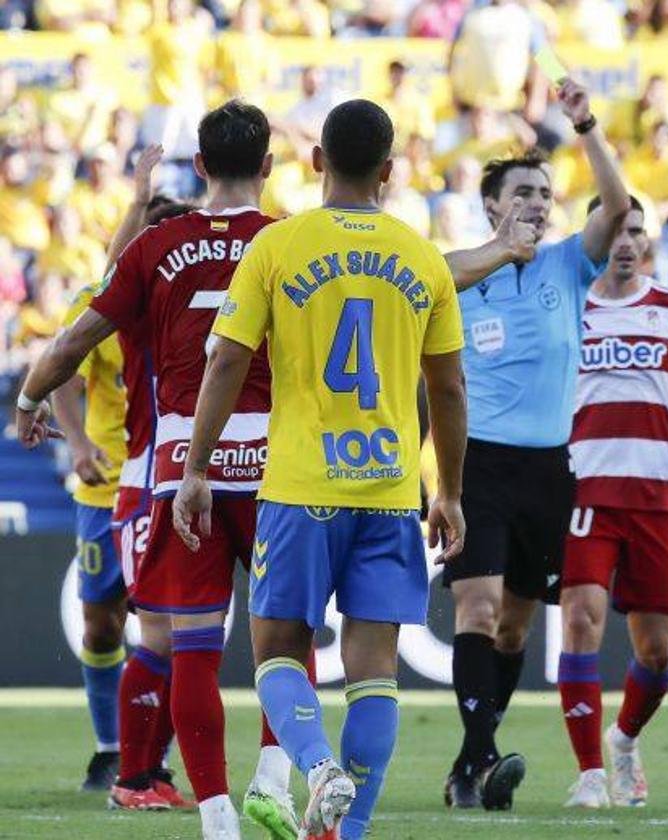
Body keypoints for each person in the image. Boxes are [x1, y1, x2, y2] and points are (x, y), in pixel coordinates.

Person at [170, 98, 467, 840]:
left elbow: (228, 359)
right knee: (374, 673)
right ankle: (346, 830)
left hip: (301, 488)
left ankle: (315, 764)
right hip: (392, 492)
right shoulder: (422, 257)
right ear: (390, 172)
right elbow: (450, 388)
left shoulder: (278, 246)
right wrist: (450, 492)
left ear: (314, 162)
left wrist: (198, 467)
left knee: (277, 653)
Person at [16, 101, 294, 840]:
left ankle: (214, 815)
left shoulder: (155, 250)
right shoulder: (290, 244)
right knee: (284, 639)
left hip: (177, 471)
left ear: (199, 166)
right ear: (269, 167)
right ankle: (273, 781)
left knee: (187, 644)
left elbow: (75, 337)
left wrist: (29, 396)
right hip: (280, 470)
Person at [440, 75, 629, 809]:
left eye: (546, 195)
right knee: (478, 612)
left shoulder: (567, 267)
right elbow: (431, 311)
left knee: (515, 631)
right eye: (524, 193)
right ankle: (485, 759)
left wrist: (586, 127)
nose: (538, 205)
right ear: (492, 204)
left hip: (549, 470)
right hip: (478, 464)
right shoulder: (463, 273)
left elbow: (617, 207)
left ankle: (468, 762)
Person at [557, 196, 668, 808]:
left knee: (656, 649)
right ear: (595, 235)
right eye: (617, 230)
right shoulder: (567, 307)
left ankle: (625, 739)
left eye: (637, 231)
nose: (627, 242)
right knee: (580, 616)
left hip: (657, 494)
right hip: (583, 488)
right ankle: (588, 774)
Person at [48, 147, 164, 795]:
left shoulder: (183, 305)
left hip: (162, 486)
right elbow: (60, 369)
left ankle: (150, 755)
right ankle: (107, 747)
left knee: (163, 625)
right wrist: (74, 438)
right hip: (101, 489)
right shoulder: (97, 303)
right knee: (101, 622)